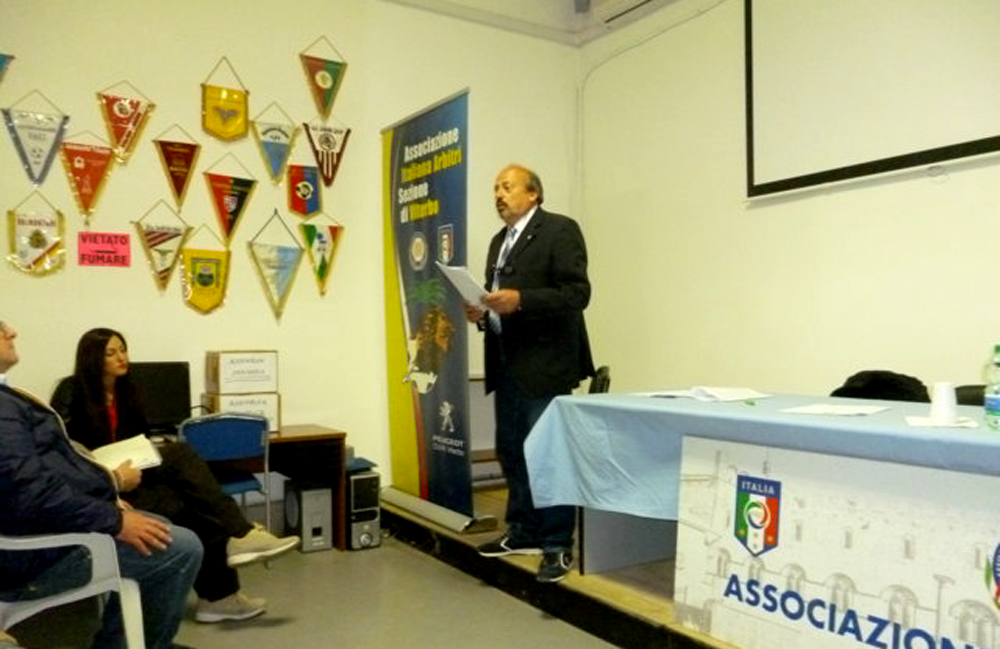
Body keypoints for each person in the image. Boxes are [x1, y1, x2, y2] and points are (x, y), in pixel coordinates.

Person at [50, 328, 299, 623]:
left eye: (123, 349)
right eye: (111, 353)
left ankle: (220, 598)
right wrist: (111, 480)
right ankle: (240, 536)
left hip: (132, 475)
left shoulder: (127, 392)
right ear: (93, 358)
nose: (121, 357)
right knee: (179, 453)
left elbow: (139, 439)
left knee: (189, 504)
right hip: (100, 487)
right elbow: (63, 455)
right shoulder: (71, 392)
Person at [0, 320, 203, 649]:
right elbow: (30, 491)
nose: (12, 333)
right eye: (0, 329)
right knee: (181, 546)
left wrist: (105, 493)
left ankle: (129, 641)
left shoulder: (8, 398)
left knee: (166, 514)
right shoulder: (4, 407)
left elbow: (50, 471)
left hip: (48, 527)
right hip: (36, 554)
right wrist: (114, 518)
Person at [464, 164, 594, 583]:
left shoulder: (559, 230)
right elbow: (499, 304)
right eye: (495, 188)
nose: (499, 195)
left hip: (547, 365)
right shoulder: (498, 241)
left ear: (533, 193)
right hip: (506, 363)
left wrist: (520, 300)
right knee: (512, 451)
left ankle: (556, 543)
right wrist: (482, 313)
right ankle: (523, 532)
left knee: (547, 454)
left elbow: (577, 293)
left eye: (507, 187)